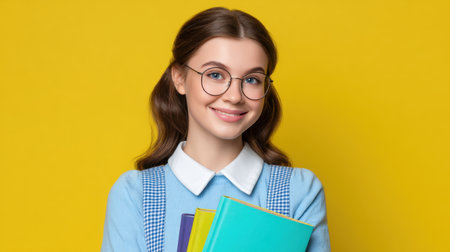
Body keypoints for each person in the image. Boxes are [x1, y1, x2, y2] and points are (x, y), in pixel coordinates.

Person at [101, 7, 330, 252]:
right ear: (179, 78)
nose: (234, 96)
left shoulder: (299, 192)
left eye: (252, 79)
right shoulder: (135, 194)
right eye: (215, 74)